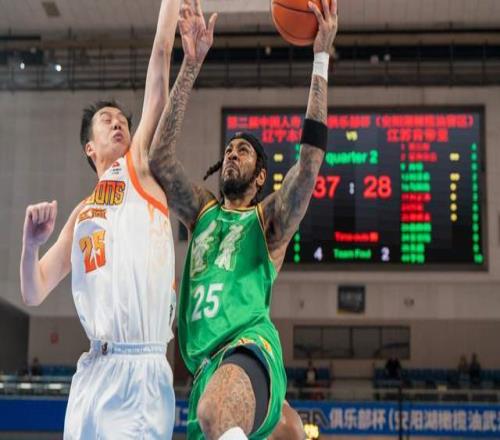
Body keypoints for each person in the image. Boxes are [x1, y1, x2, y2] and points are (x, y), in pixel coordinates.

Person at [148, 0, 338, 437]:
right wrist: (190, 66)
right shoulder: (202, 211)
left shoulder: (268, 222)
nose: (232, 154)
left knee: (217, 410)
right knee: (229, 418)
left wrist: (321, 58)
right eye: (229, 150)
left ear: (261, 176)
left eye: (244, 151)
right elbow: (159, 160)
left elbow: (309, 162)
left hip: (250, 347)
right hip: (204, 371)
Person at [19, 0, 180, 437]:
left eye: (123, 120)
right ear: (89, 148)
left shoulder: (138, 167)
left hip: (140, 370)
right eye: (107, 121)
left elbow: (160, 58)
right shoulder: (81, 213)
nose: (118, 124)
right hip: (93, 373)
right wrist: (31, 245)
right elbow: (33, 292)